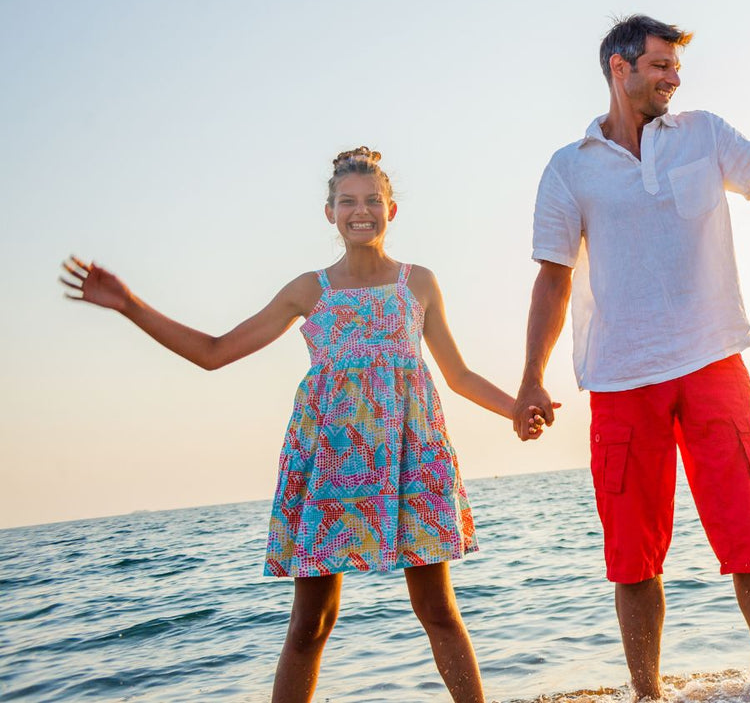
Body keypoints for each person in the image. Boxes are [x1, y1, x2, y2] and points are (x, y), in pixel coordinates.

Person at [60, 148, 522, 703]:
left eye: (373, 200)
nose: (361, 211)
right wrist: (129, 304)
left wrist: (518, 409)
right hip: (329, 468)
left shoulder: (417, 283)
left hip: (411, 462)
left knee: (439, 612)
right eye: (348, 201)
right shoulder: (310, 290)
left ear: (391, 210)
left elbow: (459, 374)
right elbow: (214, 352)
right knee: (311, 625)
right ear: (329, 212)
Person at [511, 15, 750, 699]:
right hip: (622, 379)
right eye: (660, 66)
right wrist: (532, 375)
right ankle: (647, 694)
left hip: (714, 361)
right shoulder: (570, 167)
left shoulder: (704, 133)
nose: (673, 78)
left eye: (675, 68)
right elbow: (553, 277)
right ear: (619, 68)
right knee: (632, 558)